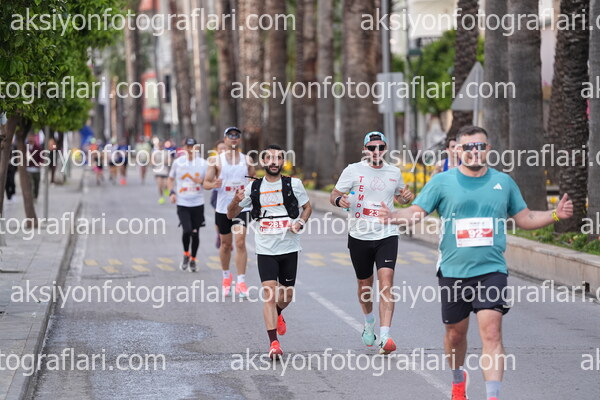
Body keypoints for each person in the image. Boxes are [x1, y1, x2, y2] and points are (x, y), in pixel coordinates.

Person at [378, 125, 574, 400]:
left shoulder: (503, 182)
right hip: (453, 271)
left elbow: (525, 218)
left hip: (492, 270)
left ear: (488, 149)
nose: (474, 152)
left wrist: (555, 214)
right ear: (458, 150)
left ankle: (493, 396)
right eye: (468, 147)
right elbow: (416, 212)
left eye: (480, 146)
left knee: (492, 332)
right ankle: (458, 379)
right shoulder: (442, 182)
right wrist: (394, 217)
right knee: (455, 336)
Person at [329, 131, 414, 355]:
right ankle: (369, 323)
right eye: (372, 147)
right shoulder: (352, 170)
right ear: (365, 149)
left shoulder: (394, 172)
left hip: (387, 234)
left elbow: (401, 196)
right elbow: (334, 194)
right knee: (365, 287)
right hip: (359, 235)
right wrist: (339, 200)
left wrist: (406, 197)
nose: (376, 151)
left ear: (386, 149)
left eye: (381, 147)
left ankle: (385, 336)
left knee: (386, 282)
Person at [227, 144, 312, 359]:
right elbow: (231, 214)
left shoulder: (294, 184)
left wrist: (300, 223)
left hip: (289, 247)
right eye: (270, 158)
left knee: (287, 295)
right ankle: (273, 343)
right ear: (263, 162)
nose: (274, 162)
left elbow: (307, 208)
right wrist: (235, 200)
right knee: (269, 294)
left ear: (282, 162)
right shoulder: (253, 188)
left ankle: (278, 312)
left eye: (278, 158)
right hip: (265, 248)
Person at [204, 127, 255, 297]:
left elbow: (253, 179)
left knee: (240, 242)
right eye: (230, 135)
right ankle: (226, 277)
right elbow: (206, 183)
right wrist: (214, 184)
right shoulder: (216, 161)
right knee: (225, 244)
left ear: (239, 140)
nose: (233, 138)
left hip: (242, 207)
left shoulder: (247, 159)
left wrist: (251, 189)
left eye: (236, 135)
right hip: (223, 208)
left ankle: (241, 282)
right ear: (225, 139)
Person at [168, 138, 208, 272]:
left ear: (197, 148)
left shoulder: (203, 164)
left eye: (193, 147)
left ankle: (193, 259)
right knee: (187, 230)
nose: (190, 149)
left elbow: (209, 182)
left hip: (198, 203)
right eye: (188, 147)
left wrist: (201, 181)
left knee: (195, 233)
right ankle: (186, 254)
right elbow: (170, 179)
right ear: (184, 148)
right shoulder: (178, 163)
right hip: (183, 203)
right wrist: (172, 192)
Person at [207, 140, 228, 248]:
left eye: (224, 148)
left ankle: (227, 236)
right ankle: (219, 235)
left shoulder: (233, 160)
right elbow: (208, 179)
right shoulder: (214, 161)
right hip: (218, 193)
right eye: (220, 148)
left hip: (231, 193)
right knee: (219, 216)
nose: (223, 150)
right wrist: (213, 183)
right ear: (217, 150)